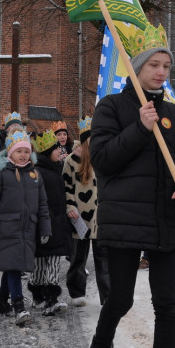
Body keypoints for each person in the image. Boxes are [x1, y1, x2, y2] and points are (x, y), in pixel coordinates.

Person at [89, 28, 175, 348]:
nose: (161, 72)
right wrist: (140, 128)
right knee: (120, 299)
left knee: (167, 305)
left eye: (166, 66)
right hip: (125, 220)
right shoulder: (111, 107)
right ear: (137, 66)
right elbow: (103, 160)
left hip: (165, 220)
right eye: (154, 64)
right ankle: (100, 346)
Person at [0, 130, 51, 327]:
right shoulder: (1, 174)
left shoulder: (35, 174)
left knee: (13, 265)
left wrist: (45, 228)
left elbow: (43, 204)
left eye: (27, 151)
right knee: (14, 265)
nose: (24, 155)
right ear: (10, 152)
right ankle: (18, 305)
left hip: (27, 228)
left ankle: (2, 303)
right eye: (19, 151)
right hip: (6, 227)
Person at [64, 116, 109, 307]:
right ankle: (76, 292)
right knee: (78, 258)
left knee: (104, 261)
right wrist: (70, 206)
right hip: (80, 217)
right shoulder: (72, 161)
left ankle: (107, 296)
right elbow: (66, 186)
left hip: (100, 217)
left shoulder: (104, 158)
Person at [30, 129, 72, 315]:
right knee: (40, 262)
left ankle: (49, 297)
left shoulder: (56, 169)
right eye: (57, 148)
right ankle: (42, 295)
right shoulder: (38, 172)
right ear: (48, 152)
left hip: (57, 223)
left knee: (53, 261)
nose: (60, 151)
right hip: (45, 224)